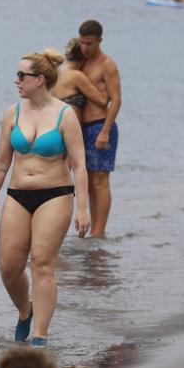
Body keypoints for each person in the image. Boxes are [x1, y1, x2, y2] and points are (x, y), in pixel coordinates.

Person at [0, 49, 90, 347]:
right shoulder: (13, 112)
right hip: (17, 195)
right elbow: (2, 162)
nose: (16, 80)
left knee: (42, 263)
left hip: (55, 195)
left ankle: (40, 335)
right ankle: (25, 310)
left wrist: (83, 209)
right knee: (8, 266)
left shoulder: (65, 114)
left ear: (39, 79)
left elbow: (80, 164)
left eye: (21, 75)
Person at [77, 20, 122, 237]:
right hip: (82, 128)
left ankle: (99, 231)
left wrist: (105, 130)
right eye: (82, 42)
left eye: (89, 43)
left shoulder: (107, 64)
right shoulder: (80, 63)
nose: (85, 47)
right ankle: (93, 228)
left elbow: (116, 100)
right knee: (87, 181)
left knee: (100, 181)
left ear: (99, 41)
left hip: (101, 126)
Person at [51, 38, 110, 122]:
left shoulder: (56, 72)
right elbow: (102, 101)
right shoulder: (76, 76)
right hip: (72, 128)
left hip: (56, 124)